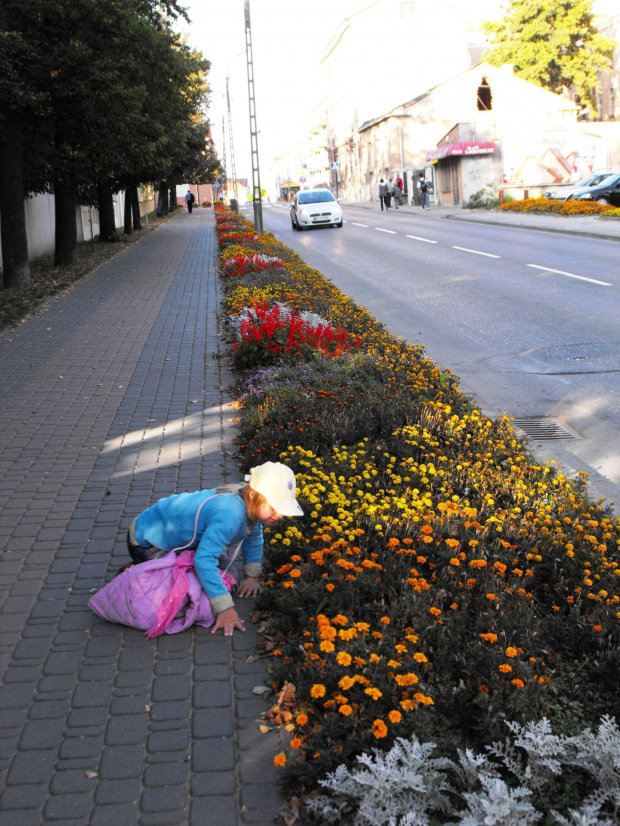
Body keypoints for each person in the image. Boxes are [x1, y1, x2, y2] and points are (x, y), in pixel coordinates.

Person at [125, 462, 303, 637]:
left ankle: (151, 568)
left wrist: (252, 575)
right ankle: (139, 573)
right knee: (189, 595)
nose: (280, 514)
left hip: (170, 541)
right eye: (275, 506)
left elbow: (254, 538)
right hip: (146, 543)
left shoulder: (248, 504)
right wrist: (224, 608)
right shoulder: (230, 514)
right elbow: (203, 560)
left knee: (228, 574)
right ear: (252, 496)